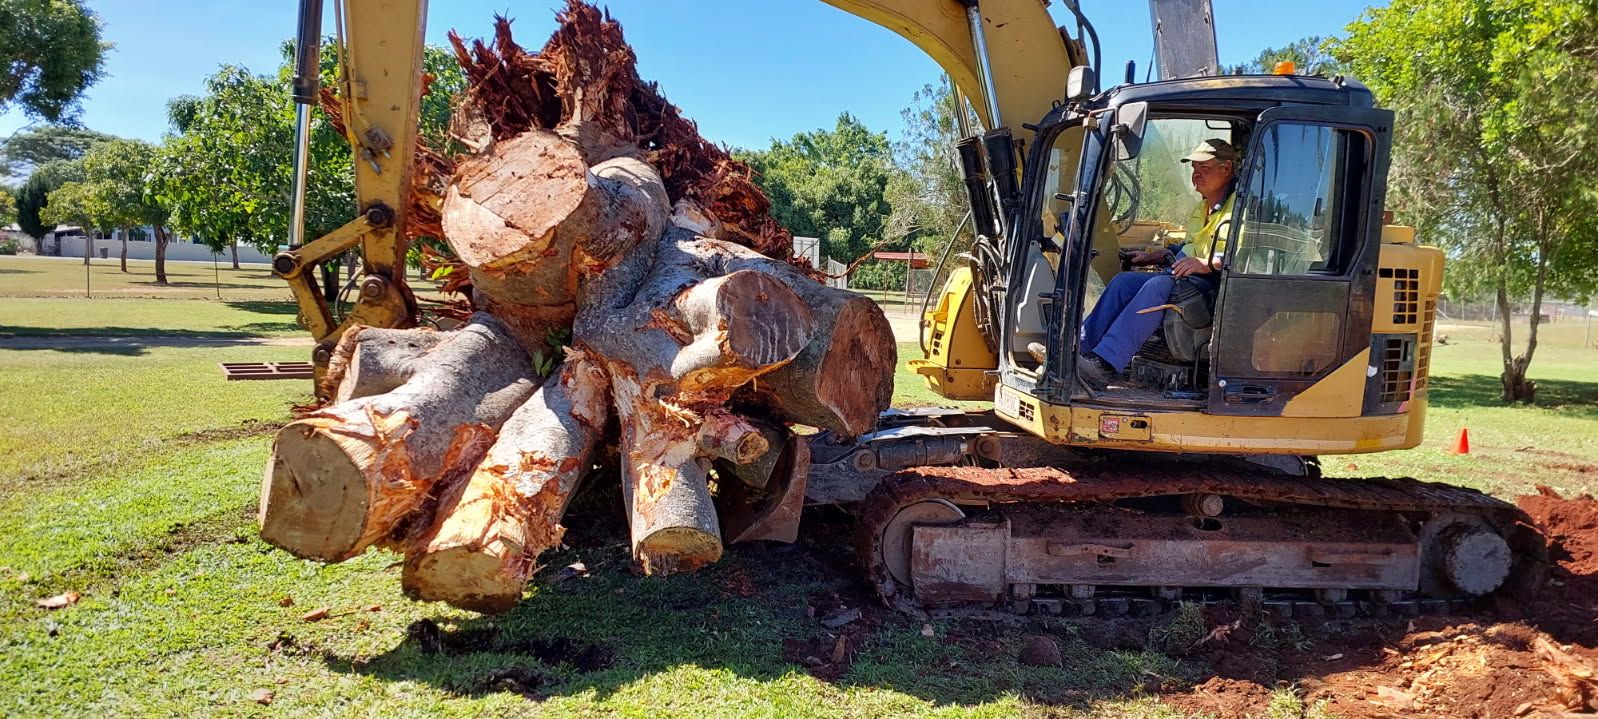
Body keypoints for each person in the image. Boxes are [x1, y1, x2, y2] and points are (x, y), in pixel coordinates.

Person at [1075, 138, 1240, 392]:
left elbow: (1245, 255)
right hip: (1191, 276)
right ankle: (1080, 351)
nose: (1196, 175)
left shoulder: (1242, 208)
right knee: (1124, 282)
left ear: (1226, 169)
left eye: (1204, 168)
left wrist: (1205, 264)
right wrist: (1159, 254)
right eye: (1194, 168)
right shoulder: (1202, 208)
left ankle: (1105, 364)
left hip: (1221, 287)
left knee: (1159, 285)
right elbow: (1190, 247)